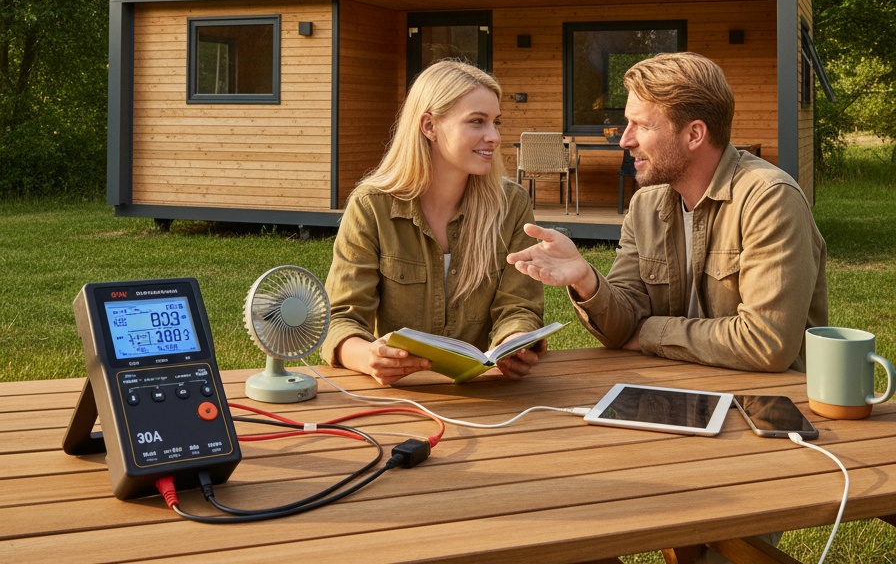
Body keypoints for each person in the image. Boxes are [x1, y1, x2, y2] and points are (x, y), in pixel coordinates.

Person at [508, 51, 828, 373]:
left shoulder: (769, 200)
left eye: (641, 125)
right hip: (671, 390)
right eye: (626, 123)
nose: (625, 140)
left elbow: (765, 343)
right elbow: (622, 326)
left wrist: (650, 331)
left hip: (763, 402)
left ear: (694, 134)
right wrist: (586, 279)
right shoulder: (645, 205)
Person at [322, 59, 545, 385]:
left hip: (486, 394)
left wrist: (514, 343)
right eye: (477, 122)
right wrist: (370, 358)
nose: (494, 136)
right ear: (429, 126)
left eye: (497, 122)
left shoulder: (512, 204)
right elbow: (341, 318)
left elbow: (519, 307)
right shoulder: (371, 206)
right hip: (401, 396)